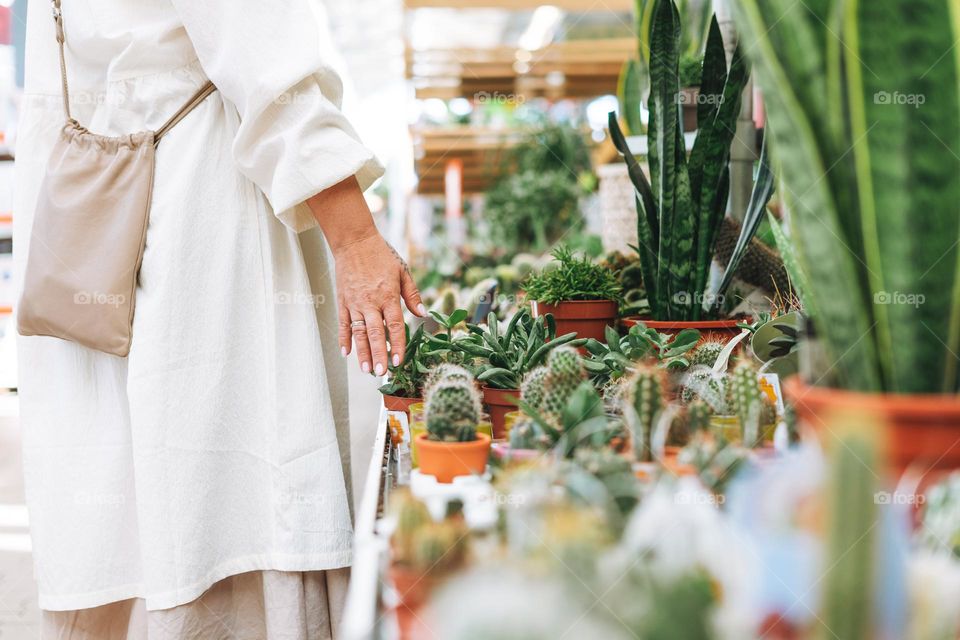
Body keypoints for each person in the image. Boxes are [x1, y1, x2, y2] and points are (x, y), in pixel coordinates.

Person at [14, 1, 420, 638]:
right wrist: (354, 237)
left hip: (98, 221)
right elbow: (267, 69)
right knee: (230, 484)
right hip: (203, 208)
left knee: (133, 495)